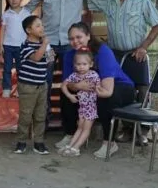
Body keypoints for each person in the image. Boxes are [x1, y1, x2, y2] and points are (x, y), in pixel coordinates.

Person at [28, 0, 114, 111]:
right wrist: (10, 16)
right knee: (44, 80)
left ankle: (72, 122)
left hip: (71, 43)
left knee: (73, 80)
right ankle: (42, 124)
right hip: (49, 44)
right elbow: (30, 7)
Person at [87, 0, 158, 142]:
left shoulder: (143, 1)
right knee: (122, 89)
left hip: (136, 53)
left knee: (142, 90)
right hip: (115, 54)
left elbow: (157, 26)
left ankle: (143, 131)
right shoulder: (109, 2)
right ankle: (127, 129)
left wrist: (143, 47)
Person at [58, 22, 136, 159]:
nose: (75, 41)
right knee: (66, 95)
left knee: (105, 98)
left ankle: (109, 142)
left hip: (119, 86)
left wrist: (88, 88)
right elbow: (68, 82)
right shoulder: (69, 55)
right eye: (71, 38)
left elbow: (108, 89)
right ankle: (70, 134)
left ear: (88, 36)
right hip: (87, 87)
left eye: (79, 37)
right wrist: (77, 87)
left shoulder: (103, 51)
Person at [14, 15, 51, 155]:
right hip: (27, 86)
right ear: (29, 30)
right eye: (38, 26)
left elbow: (49, 61)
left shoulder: (44, 45)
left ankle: (39, 142)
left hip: (42, 84)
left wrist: (49, 51)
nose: (42, 28)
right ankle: (21, 141)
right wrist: (44, 45)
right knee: (25, 115)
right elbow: (36, 58)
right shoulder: (25, 46)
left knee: (41, 115)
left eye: (42, 25)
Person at [59, 49, 101, 157]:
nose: (81, 67)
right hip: (82, 108)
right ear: (74, 65)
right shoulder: (74, 75)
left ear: (91, 64)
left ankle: (76, 148)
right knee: (80, 127)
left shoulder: (94, 75)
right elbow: (63, 85)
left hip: (91, 107)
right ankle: (70, 145)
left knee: (86, 129)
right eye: (78, 64)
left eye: (84, 64)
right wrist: (69, 96)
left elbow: (99, 88)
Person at [0, 0, 30, 98]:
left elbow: (29, 30)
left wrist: (28, 44)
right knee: (7, 69)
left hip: (21, 46)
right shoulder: (6, 14)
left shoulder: (26, 13)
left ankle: (19, 89)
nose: (14, 0)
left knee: (20, 69)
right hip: (8, 45)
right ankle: (6, 89)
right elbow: (3, 30)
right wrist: (0, 45)